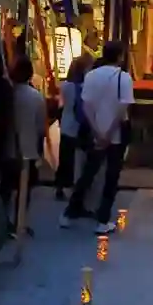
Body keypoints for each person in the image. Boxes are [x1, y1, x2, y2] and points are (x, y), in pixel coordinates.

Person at [62, 39, 133, 234]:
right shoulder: (124, 78)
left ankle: (69, 213)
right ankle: (102, 219)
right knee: (111, 176)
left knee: (88, 173)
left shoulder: (91, 76)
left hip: (95, 132)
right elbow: (122, 109)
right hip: (115, 134)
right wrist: (109, 132)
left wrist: (97, 131)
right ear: (120, 56)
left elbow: (86, 105)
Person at [3, 55, 48, 233]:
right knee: (24, 190)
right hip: (28, 150)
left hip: (7, 149)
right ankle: (19, 221)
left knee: (5, 189)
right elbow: (41, 127)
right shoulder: (36, 97)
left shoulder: (7, 94)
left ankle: (2, 221)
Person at [54, 53, 90, 198]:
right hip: (80, 126)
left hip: (66, 124)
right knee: (78, 158)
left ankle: (60, 185)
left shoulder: (65, 86)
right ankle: (76, 186)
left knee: (65, 158)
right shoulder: (85, 87)